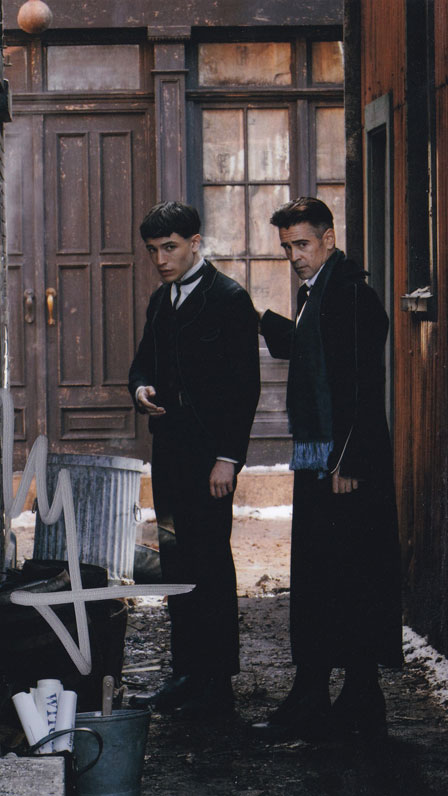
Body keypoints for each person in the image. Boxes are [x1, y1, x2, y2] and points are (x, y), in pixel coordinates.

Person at [254, 197, 402, 740]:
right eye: (288, 246)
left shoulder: (354, 295)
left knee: (354, 575)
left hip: (347, 465)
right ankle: (318, 692)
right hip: (323, 460)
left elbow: (363, 384)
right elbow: (315, 352)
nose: (294, 255)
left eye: (303, 244)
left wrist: (348, 460)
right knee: (322, 574)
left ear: (329, 238)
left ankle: (359, 699)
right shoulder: (316, 294)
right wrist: (265, 322)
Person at [128, 201, 261, 716]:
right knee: (175, 557)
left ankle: (217, 683)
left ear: (195, 243)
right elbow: (142, 362)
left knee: (210, 559)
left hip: (211, 458)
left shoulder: (229, 299)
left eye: (171, 248)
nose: (161, 259)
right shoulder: (161, 302)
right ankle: (186, 673)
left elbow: (244, 388)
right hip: (170, 454)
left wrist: (228, 457)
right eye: (153, 251)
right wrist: (139, 388)